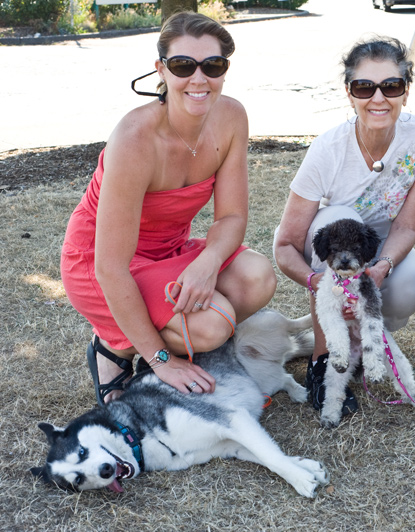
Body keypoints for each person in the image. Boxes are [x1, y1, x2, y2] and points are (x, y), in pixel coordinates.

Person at [61, 12, 276, 406]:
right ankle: (117, 349)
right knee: (213, 325)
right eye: (182, 65)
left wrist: (208, 262)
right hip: (102, 264)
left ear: (225, 69)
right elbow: (110, 267)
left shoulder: (231, 117)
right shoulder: (134, 138)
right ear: (161, 69)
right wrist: (162, 361)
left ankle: (149, 338)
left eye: (212, 65)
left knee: (258, 278)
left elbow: (232, 217)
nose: (199, 79)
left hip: (171, 251)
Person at [273, 36, 415, 420]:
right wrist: (317, 281)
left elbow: (407, 225)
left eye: (391, 86)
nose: (378, 98)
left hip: (376, 244)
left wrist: (381, 267)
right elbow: (286, 243)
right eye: (364, 87)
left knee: (410, 285)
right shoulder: (328, 149)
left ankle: (361, 344)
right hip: (332, 238)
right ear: (349, 93)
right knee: (334, 218)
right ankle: (325, 359)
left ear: (406, 91)